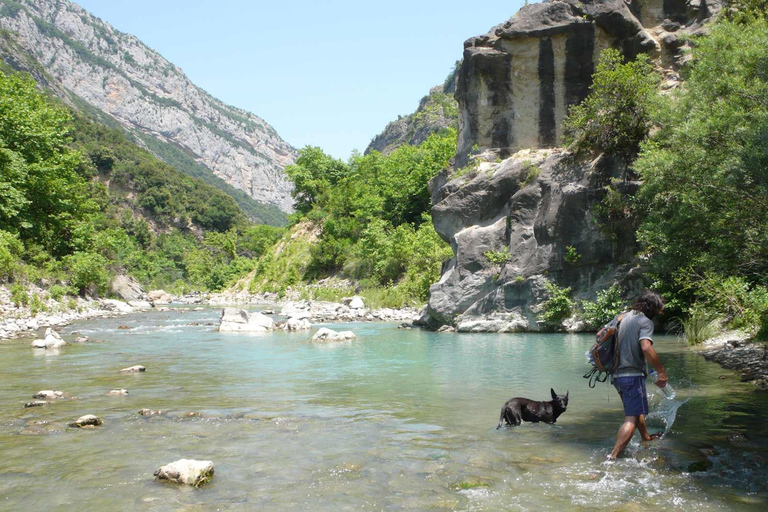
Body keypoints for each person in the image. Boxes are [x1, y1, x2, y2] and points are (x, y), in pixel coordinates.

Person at [607, 290, 668, 461]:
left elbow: (600, 335)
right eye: (657, 309)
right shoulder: (645, 322)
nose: (657, 313)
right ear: (652, 307)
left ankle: (645, 438)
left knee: (636, 409)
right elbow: (646, 347)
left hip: (617, 375)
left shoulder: (622, 317)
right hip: (632, 375)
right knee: (631, 418)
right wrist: (661, 370)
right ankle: (613, 456)